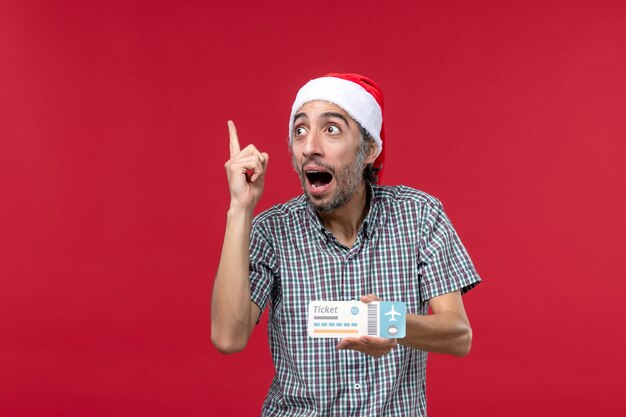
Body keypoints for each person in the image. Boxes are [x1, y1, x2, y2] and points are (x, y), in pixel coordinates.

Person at [211, 73, 481, 416]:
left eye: (331, 129)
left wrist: (387, 323)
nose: (310, 146)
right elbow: (228, 337)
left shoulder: (419, 215)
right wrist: (240, 208)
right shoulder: (271, 231)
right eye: (300, 130)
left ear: (369, 149)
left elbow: (459, 335)